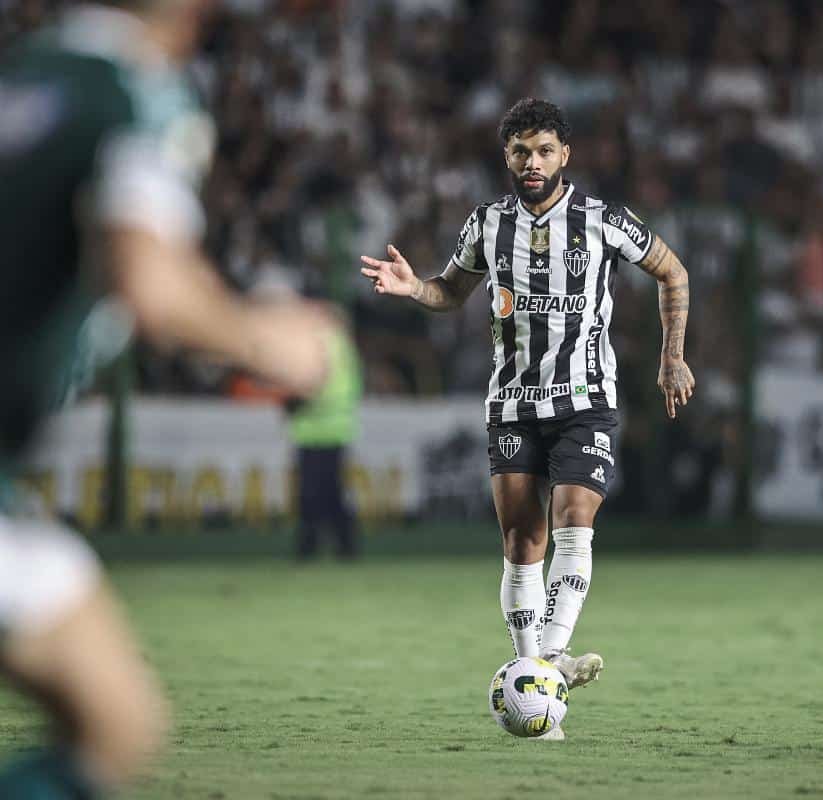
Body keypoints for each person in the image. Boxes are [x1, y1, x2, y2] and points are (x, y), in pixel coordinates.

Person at [0, 2, 333, 796]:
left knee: (111, 714)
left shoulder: (31, 73)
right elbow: (146, 281)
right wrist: (268, 339)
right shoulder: (138, 94)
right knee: (115, 726)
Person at [360, 98, 694, 738]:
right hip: (511, 404)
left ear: (565, 155)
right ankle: (542, 670)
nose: (532, 163)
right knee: (521, 541)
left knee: (573, 519)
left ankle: (543, 670)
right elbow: (450, 292)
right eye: (520, 152)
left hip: (585, 401)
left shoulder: (602, 220)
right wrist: (414, 288)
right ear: (506, 156)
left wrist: (672, 355)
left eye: (543, 151)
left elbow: (672, 271)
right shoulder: (486, 224)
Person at [287, 328, 363, 561]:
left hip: (319, 431)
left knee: (315, 494)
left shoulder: (314, 346)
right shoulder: (341, 347)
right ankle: (342, 546)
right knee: (328, 494)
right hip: (325, 432)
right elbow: (349, 388)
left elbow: (309, 387)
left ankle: (313, 547)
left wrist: (297, 401)